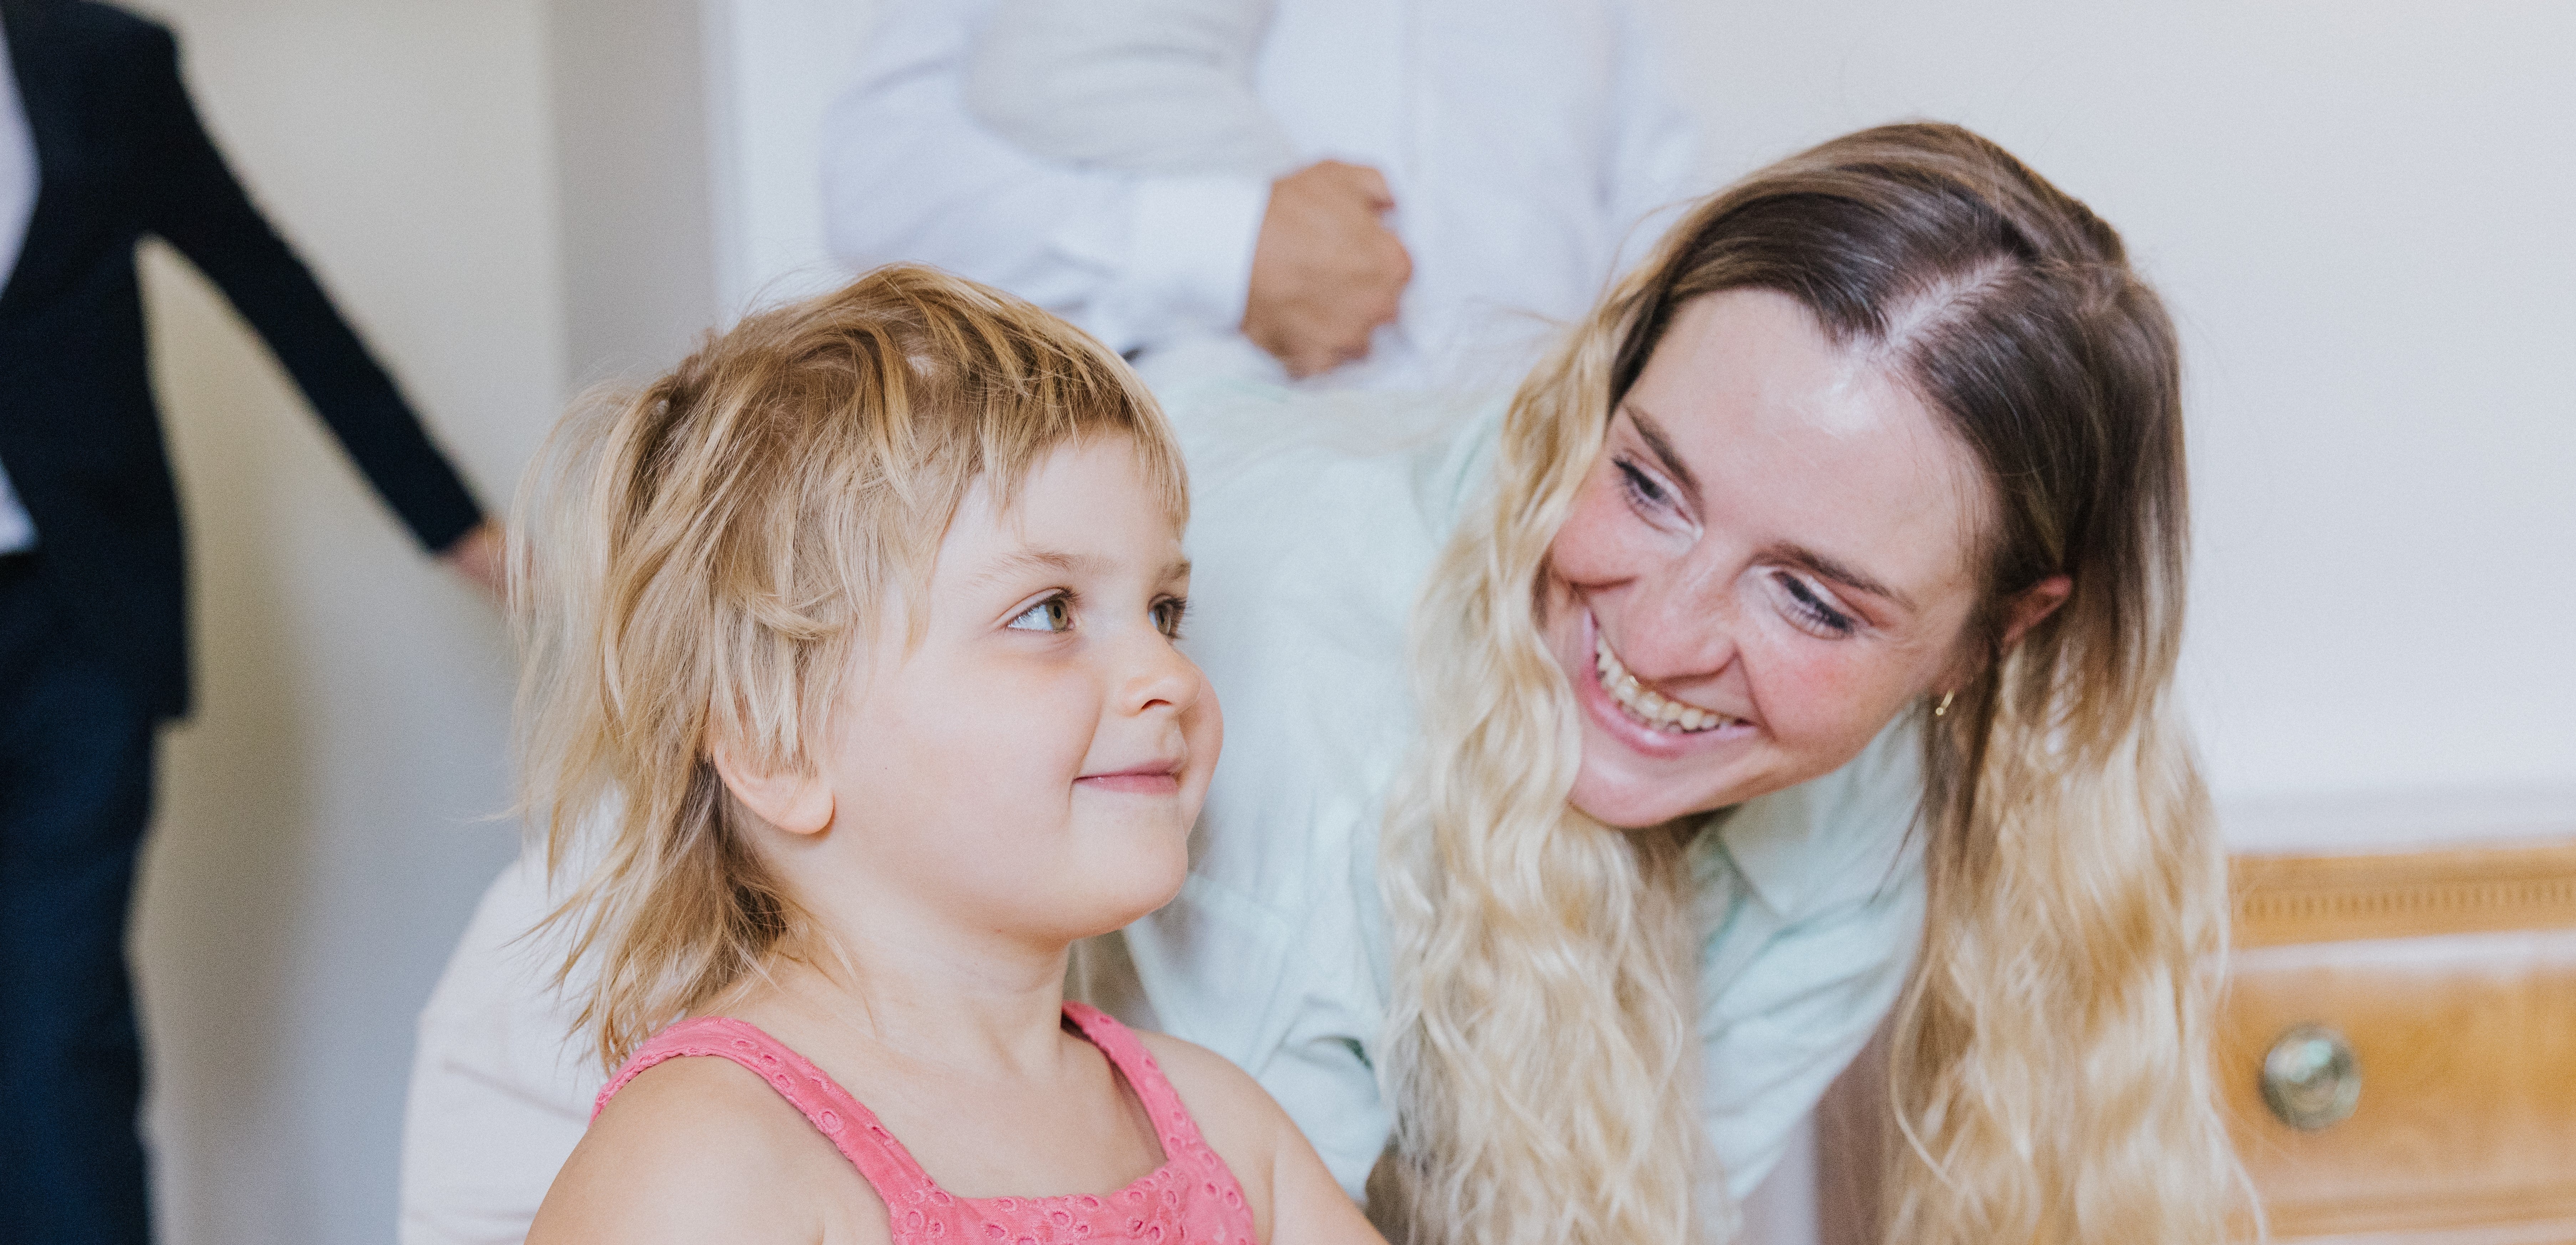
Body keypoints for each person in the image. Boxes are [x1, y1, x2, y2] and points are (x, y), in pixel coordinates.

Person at [403, 123, 2238, 1245]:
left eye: (1813, 599)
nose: (1665, 633)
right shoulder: (1286, 710)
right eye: (1649, 482)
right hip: (629, 1010)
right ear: (1597, 389)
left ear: (1994, 636)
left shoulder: (1199, 1119)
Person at [508, 265, 1382, 1245]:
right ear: (774, 741)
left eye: (1164, 613)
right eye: (1048, 612)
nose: (1165, 676)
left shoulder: (1223, 1132)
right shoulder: (708, 1164)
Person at [0, 2, 499, 1240]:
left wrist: (458, 528)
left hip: (78, 623)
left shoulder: (100, 63)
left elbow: (273, 287)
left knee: (59, 1029)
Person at [820, 0, 1705, 390]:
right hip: (1214, 545)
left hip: (1519, 553)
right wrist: (1227, 252)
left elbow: (1653, 220)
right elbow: (884, 177)